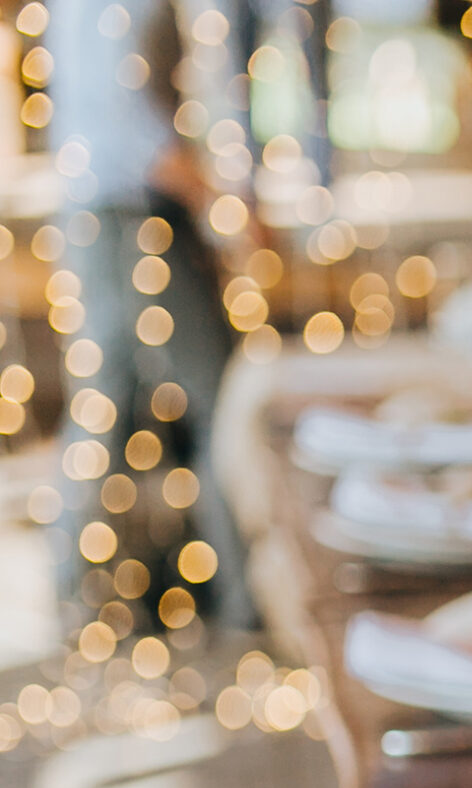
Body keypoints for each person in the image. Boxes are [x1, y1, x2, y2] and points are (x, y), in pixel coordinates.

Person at [48, 0, 255, 628]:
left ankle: (79, 598)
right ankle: (247, 604)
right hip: (136, 220)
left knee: (108, 407)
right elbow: (137, 134)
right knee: (223, 402)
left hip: (108, 217)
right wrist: (230, 209)